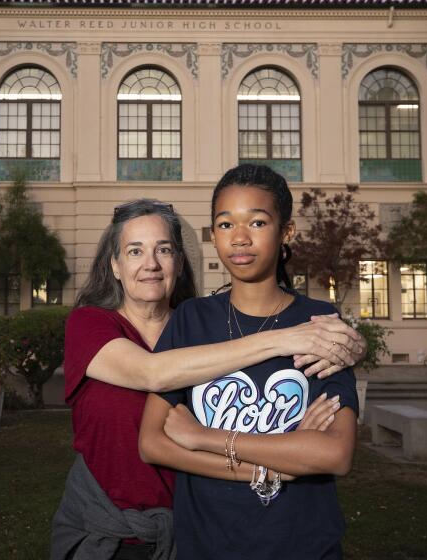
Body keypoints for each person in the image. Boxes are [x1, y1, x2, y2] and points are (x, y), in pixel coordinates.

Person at [51, 198, 364, 560]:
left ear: (179, 263)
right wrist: (277, 466)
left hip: (190, 530)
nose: (150, 264)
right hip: (111, 530)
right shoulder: (89, 324)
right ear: (115, 266)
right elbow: (155, 373)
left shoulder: (200, 327)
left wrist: (350, 347)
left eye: (163, 250)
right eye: (135, 251)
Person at [139, 165, 360, 560]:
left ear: (286, 231)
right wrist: (282, 457)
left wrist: (205, 438)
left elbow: (334, 454)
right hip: (207, 543)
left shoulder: (319, 324)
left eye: (257, 222)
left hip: (303, 543)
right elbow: (153, 442)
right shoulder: (192, 319)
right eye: (225, 225)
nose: (239, 238)